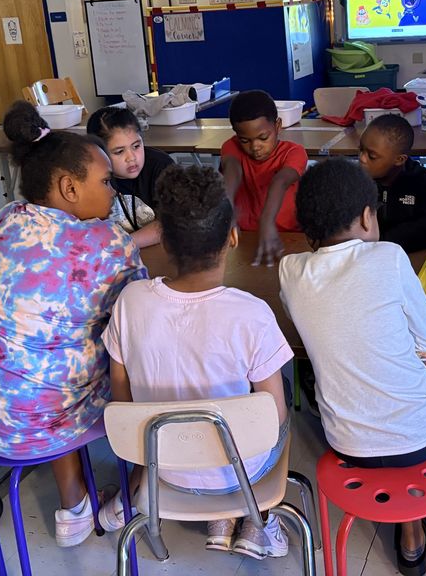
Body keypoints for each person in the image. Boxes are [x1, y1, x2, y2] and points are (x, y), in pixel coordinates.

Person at [0, 101, 146, 548]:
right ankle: (135, 493)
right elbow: (143, 318)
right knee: (132, 363)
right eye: (105, 181)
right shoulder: (108, 242)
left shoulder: (5, 219)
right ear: (69, 188)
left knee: (44, 358)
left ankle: (74, 505)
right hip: (40, 423)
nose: (113, 192)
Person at [98, 164, 293, 560]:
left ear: (164, 241)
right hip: (240, 470)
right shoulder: (252, 314)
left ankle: (221, 521)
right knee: (278, 398)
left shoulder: (129, 301)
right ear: (233, 237)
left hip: (161, 467)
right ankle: (260, 523)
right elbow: (272, 419)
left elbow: (121, 396)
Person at [279, 158, 426, 576]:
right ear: (367, 216)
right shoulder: (389, 256)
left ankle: (407, 526)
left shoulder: (290, 270)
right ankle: (412, 532)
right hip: (421, 437)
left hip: (346, 444)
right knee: (416, 392)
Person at [220, 90, 308, 266]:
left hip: (289, 237)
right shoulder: (231, 147)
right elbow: (232, 172)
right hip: (245, 238)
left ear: (277, 126)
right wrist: (226, 209)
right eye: (245, 140)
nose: (255, 147)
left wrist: (266, 222)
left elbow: (280, 182)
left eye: (263, 138)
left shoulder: (294, 152)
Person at [358, 114, 426, 252]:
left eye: (372, 156)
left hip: (411, 257)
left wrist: (385, 241)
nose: (362, 159)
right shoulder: (354, 182)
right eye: (360, 150)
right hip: (366, 256)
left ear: (399, 159)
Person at [86, 105, 173, 248]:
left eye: (136, 146)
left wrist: (123, 244)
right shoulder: (92, 177)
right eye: (119, 152)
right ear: (99, 154)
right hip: (115, 258)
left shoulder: (162, 167)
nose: (131, 158)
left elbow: (170, 223)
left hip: (160, 250)